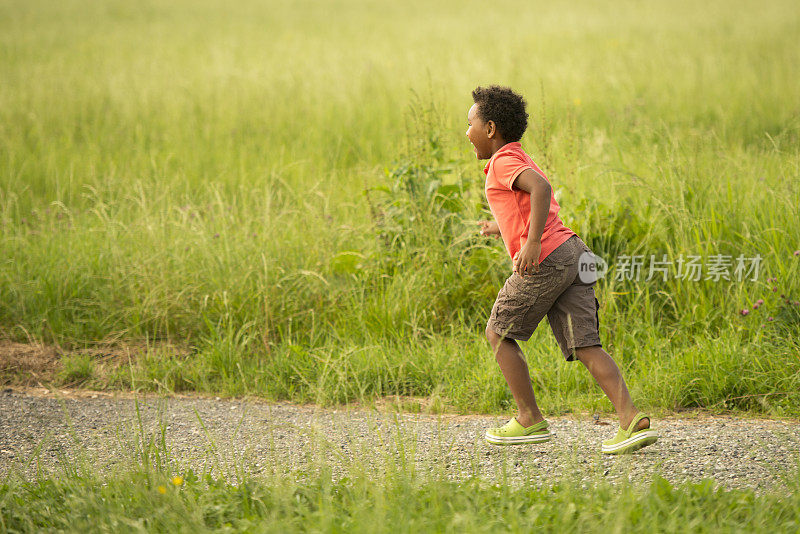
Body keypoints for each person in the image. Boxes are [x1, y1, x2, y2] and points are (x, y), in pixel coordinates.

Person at [466, 85, 657, 454]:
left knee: (499, 332)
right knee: (586, 344)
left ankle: (529, 418)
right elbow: (526, 203)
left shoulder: (503, 161)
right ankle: (631, 419)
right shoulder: (519, 156)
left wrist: (532, 242)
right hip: (573, 253)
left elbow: (540, 188)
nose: (466, 132)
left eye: (469, 123)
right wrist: (500, 228)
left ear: (490, 129)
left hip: (548, 258)